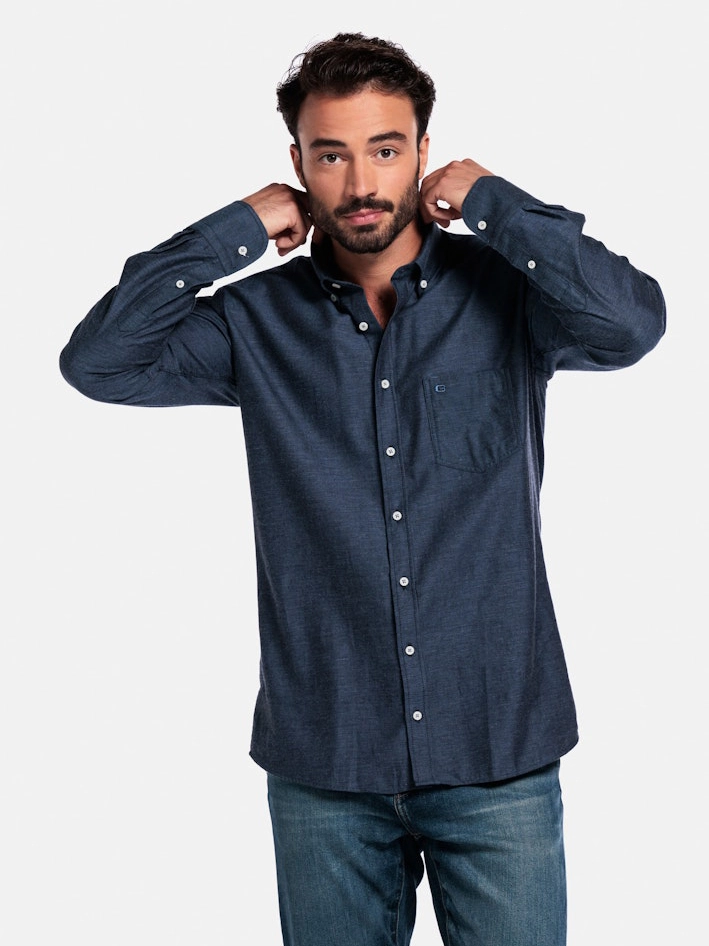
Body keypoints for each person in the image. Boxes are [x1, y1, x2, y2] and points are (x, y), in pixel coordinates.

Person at [60, 31, 665, 946]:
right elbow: (99, 363)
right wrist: (230, 232)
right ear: (297, 164)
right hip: (326, 760)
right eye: (330, 155)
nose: (360, 184)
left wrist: (494, 203)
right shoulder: (254, 323)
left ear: (423, 152)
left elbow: (630, 325)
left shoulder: (509, 298)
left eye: (385, 149)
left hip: (495, 749)